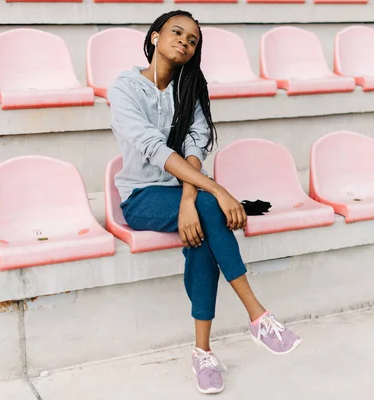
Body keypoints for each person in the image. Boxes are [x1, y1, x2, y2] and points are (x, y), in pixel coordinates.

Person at [107, 10, 301, 395]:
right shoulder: (124, 87)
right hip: (141, 198)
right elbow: (152, 147)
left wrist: (191, 197)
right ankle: (257, 315)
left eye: (193, 40)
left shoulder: (189, 89)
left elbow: (196, 142)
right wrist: (217, 190)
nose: (184, 41)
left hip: (183, 191)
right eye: (176, 33)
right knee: (212, 210)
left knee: (201, 237)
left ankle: (202, 352)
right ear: (155, 37)